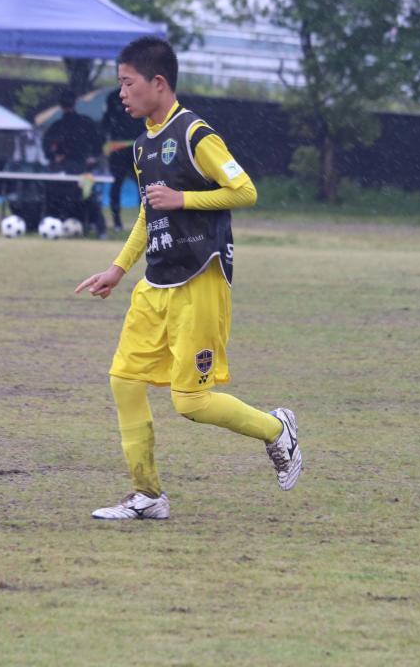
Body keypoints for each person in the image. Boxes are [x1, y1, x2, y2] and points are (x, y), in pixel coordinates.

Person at [75, 36, 302, 520]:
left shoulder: (196, 134)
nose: (122, 93)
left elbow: (245, 190)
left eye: (128, 83)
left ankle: (276, 428)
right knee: (124, 381)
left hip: (200, 278)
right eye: (120, 84)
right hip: (156, 281)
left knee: (191, 402)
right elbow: (148, 212)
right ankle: (147, 495)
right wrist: (118, 268)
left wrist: (185, 200)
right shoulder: (142, 145)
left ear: (158, 82)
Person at [41, 88, 106, 235]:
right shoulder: (85, 123)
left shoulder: (58, 125)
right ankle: (99, 228)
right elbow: (99, 143)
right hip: (80, 169)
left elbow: (46, 145)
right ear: (75, 103)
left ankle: (51, 222)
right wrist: (92, 157)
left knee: (57, 197)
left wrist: (54, 156)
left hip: (66, 170)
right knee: (88, 197)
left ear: (60, 105)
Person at [100, 88, 141, 230]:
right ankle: (116, 221)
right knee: (117, 184)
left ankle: (144, 220)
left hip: (136, 147)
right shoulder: (113, 97)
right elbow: (106, 121)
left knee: (142, 185)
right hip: (118, 148)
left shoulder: (138, 93)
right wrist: (104, 143)